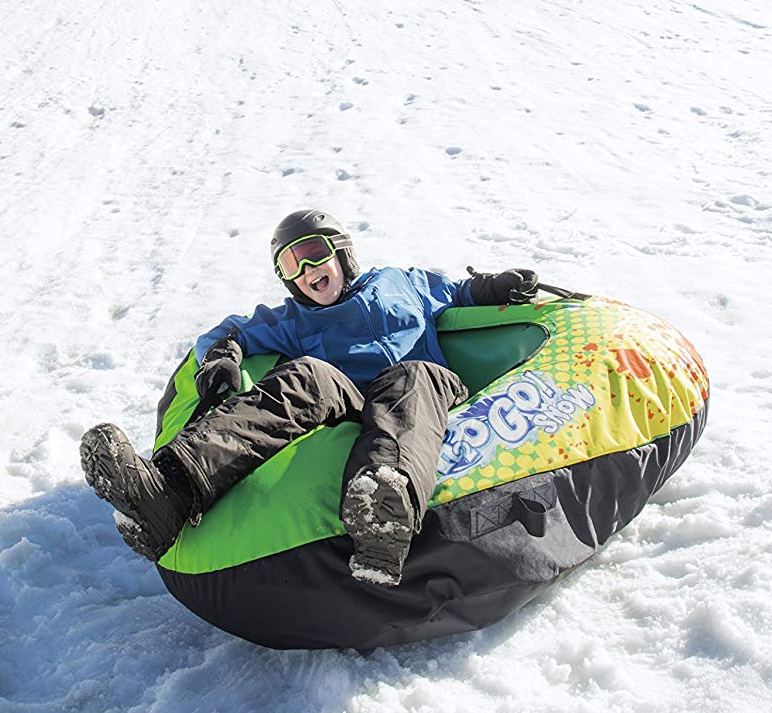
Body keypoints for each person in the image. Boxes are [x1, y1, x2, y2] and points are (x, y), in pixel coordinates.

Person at [80, 210, 537, 587]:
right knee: (309, 375)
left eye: (314, 253)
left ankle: (384, 512)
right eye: (291, 265)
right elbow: (232, 330)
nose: (306, 271)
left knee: (412, 375)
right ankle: (170, 490)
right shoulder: (295, 320)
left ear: (342, 252)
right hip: (352, 402)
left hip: (425, 394)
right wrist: (222, 354)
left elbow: (457, 292)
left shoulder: (401, 283)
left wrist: (495, 286)